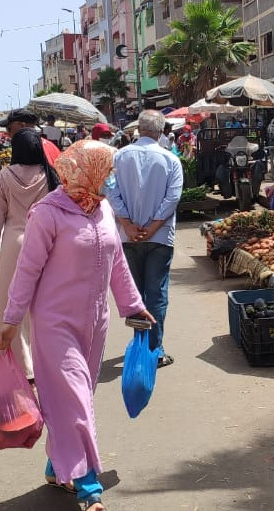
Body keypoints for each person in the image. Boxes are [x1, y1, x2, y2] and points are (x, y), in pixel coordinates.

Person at [0, 140, 155, 511]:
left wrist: (133, 306)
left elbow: (117, 265)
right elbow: (27, 271)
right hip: (54, 324)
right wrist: (11, 320)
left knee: (73, 400)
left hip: (94, 324)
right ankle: (87, 486)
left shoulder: (103, 209)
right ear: (88, 170)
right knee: (76, 401)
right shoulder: (46, 214)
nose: (111, 179)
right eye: (107, 171)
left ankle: (57, 465)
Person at [0, 129, 60, 379]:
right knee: (45, 304)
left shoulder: (3, 178)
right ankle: (47, 362)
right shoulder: (51, 175)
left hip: (14, 244)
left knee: (12, 306)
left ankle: (23, 367)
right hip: (47, 242)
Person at [106, 110, 183, 368]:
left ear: (138, 130)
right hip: (159, 238)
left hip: (128, 238)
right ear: (161, 132)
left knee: (135, 295)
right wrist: (153, 227)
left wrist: (127, 223)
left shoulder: (118, 157)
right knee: (156, 293)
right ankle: (154, 349)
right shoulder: (170, 160)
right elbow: (172, 198)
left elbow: (110, 191)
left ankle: (141, 343)